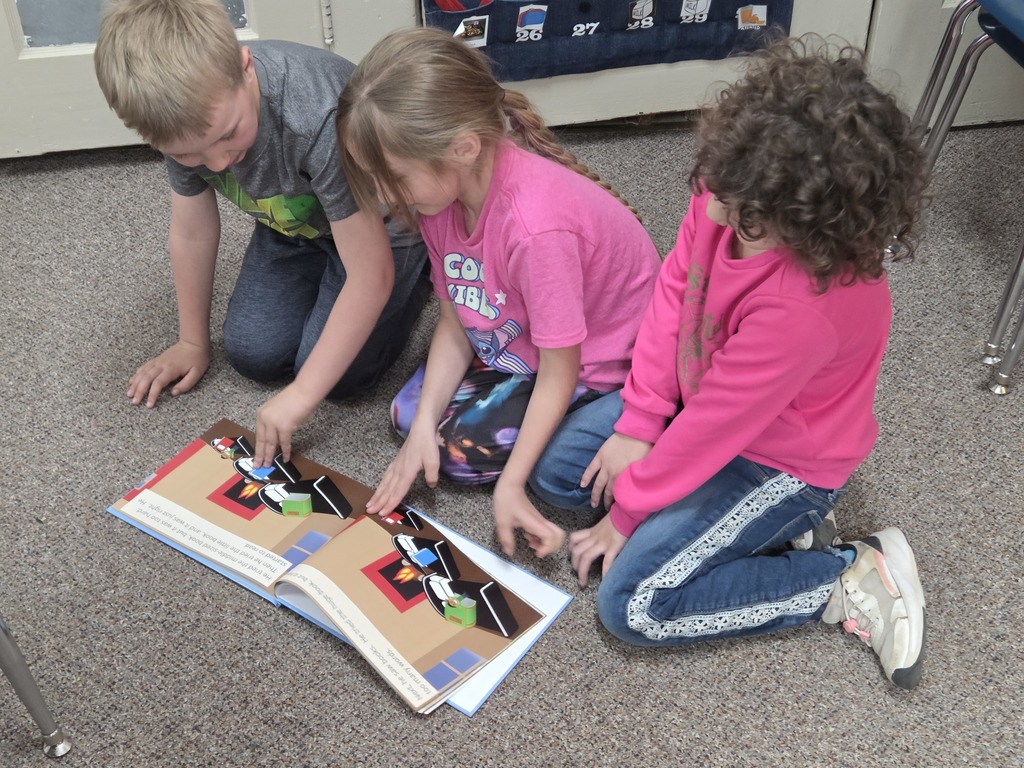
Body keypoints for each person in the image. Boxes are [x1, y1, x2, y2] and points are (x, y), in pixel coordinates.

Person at [529, 38, 931, 690]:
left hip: (778, 460)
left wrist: (629, 514)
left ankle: (845, 576)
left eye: (750, 220)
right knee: (561, 479)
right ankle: (740, 533)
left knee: (634, 604)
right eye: (726, 193)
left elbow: (720, 424)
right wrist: (639, 420)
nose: (717, 213)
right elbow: (674, 295)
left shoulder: (806, 307)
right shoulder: (738, 187)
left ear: (815, 228)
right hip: (702, 403)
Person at [336, 28, 661, 559]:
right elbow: (455, 320)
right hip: (519, 335)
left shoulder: (535, 232)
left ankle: (656, 434)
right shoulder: (440, 201)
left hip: (599, 364)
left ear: (463, 148)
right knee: (409, 418)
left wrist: (510, 486)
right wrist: (422, 425)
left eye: (391, 176)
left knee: (474, 457)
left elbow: (561, 369)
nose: (379, 194)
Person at [93, 0, 430, 466]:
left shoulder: (316, 118)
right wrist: (193, 341)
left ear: (245, 68)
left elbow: (370, 276)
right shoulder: (185, 121)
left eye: (228, 135)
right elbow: (191, 232)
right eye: (190, 156)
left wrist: (302, 395)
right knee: (253, 354)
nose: (216, 164)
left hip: (385, 226)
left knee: (340, 378)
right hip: (294, 224)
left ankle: (428, 262)